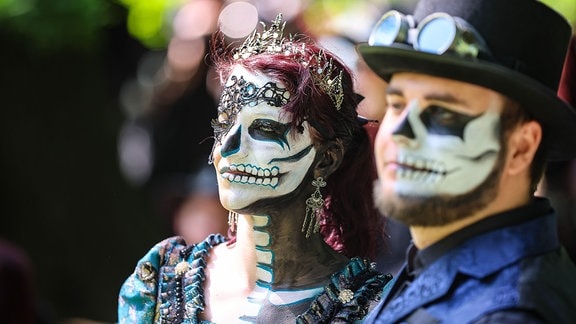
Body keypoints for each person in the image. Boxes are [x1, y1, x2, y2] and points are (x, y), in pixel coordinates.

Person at [118, 13, 392, 323]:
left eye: (264, 129)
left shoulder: (373, 307)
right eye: (223, 126)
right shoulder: (160, 283)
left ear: (327, 159)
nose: (227, 148)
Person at [357, 0, 576, 322]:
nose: (402, 132)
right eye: (397, 103)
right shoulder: (435, 260)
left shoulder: (508, 314)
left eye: (442, 112)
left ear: (521, 147)